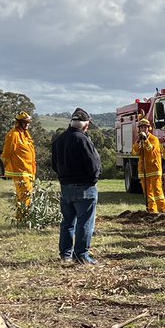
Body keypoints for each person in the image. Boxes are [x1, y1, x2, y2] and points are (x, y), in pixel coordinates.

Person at [51, 107, 102, 266]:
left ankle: (65, 255)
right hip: (84, 187)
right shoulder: (83, 139)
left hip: (65, 187)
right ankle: (81, 256)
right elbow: (93, 165)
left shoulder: (59, 140)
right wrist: (93, 179)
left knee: (67, 222)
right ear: (86, 125)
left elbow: (54, 164)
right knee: (84, 222)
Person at [1, 111, 36, 212]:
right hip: (20, 171)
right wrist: (7, 165)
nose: (27, 125)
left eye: (28, 123)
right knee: (25, 195)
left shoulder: (26, 135)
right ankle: (23, 218)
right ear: (19, 122)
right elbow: (6, 153)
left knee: (25, 195)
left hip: (29, 171)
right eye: (25, 122)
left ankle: (23, 217)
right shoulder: (13, 135)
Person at [132, 116, 165, 213]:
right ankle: (151, 210)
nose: (143, 129)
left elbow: (150, 149)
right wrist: (138, 142)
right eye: (141, 127)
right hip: (143, 170)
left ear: (149, 128)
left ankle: (162, 210)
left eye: (145, 127)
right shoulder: (139, 140)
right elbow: (134, 152)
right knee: (147, 192)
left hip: (154, 169)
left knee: (157, 191)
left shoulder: (154, 139)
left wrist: (146, 140)